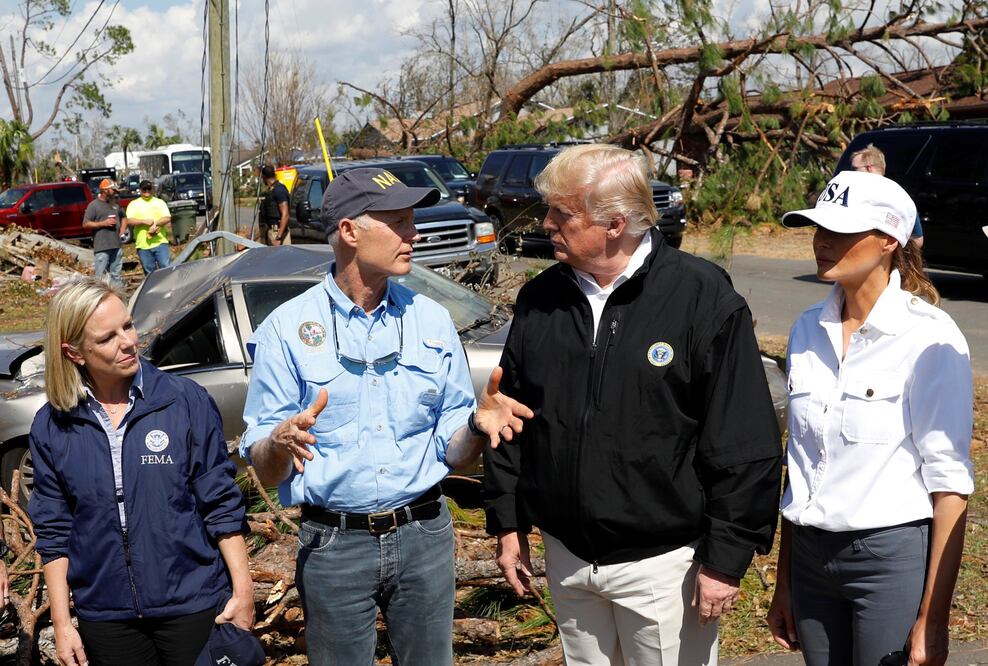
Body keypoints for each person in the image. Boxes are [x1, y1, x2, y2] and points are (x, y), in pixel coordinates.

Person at [485, 144, 783, 665]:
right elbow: (508, 416)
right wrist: (508, 522)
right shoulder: (541, 299)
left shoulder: (701, 297)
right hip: (569, 559)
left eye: (562, 212)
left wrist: (727, 559)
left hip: (664, 568)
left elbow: (743, 440)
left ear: (615, 223)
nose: (547, 223)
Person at [240, 167, 532, 666]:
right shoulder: (287, 330)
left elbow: (454, 456)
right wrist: (277, 443)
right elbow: (265, 466)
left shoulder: (432, 321)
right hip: (334, 545)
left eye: (411, 220)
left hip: (425, 537)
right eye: (397, 221)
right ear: (350, 232)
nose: (413, 234)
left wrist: (476, 429)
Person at [767, 170, 973, 666]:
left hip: (887, 559)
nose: (823, 242)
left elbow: (949, 486)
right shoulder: (805, 330)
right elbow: (801, 462)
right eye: (819, 229)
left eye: (841, 231)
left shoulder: (927, 337)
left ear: (887, 240)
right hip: (811, 559)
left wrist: (934, 617)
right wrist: (785, 581)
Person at [29, 277, 255, 666]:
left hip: (192, 603)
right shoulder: (52, 425)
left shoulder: (184, 402)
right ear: (74, 352)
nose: (128, 342)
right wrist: (63, 624)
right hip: (107, 617)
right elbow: (54, 530)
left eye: (128, 326)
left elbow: (219, 502)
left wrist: (244, 589)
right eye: (107, 338)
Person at [850, 144, 925, 248]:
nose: (850, 173)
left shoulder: (854, 195)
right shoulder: (901, 196)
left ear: (869, 168)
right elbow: (918, 239)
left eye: (854, 169)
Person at [82, 179, 127, 289]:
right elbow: (85, 224)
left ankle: (119, 301)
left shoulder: (115, 204)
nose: (116, 192)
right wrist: (103, 223)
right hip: (102, 247)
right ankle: (101, 301)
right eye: (113, 189)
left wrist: (122, 230)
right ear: (105, 191)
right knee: (100, 278)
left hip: (116, 246)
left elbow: (124, 217)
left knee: (116, 276)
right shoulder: (94, 205)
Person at [126, 180, 172, 274]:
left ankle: (169, 287)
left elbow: (167, 218)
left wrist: (156, 224)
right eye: (144, 189)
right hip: (143, 245)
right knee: (149, 272)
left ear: (152, 190)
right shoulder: (133, 204)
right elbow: (129, 221)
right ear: (140, 190)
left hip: (160, 242)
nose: (147, 191)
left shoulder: (160, 202)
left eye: (149, 189)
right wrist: (143, 221)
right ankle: (154, 288)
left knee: (166, 268)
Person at [258, 165, 290, 246]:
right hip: (271, 231)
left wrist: (278, 237)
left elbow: (285, 215)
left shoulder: (279, 190)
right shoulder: (271, 191)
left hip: (278, 232)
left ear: (264, 177)